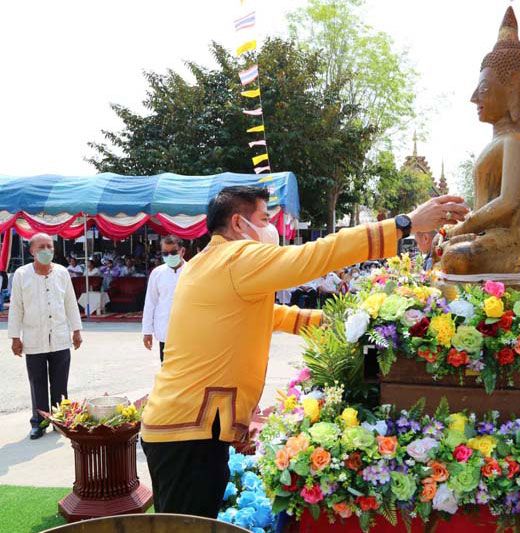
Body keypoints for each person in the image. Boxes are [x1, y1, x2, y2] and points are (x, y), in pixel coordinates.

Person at [139, 186, 467, 518]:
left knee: (183, 522)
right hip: (188, 432)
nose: (271, 228)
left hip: (181, 425)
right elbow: (315, 255)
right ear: (238, 223)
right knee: (186, 525)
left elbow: (270, 315)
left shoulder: (206, 262)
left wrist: (342, 320)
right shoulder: (235, 258)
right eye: (264, 219)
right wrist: (403, 224)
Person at [7, 233, 83, 439]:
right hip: (34, 338)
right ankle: (39, 422)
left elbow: (70, 302)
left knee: (60, 383)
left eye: (49, 246)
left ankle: (60, 420)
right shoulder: (21, 274)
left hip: (60, 337)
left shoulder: (62, 273)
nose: (46, 250)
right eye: (41, 247)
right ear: (32, 251)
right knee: (37, 383)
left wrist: (77, 330)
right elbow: (16, 307)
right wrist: (15, 337)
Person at [142, 236, 186, 363]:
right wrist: (147, 331)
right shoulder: (157, 273)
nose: (169, 256)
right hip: (165, 329)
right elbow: (150, 302)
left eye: (173, 252)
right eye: (165, 253)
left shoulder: (193, 271)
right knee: (166, 366)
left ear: (182, 251)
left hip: (188, 331)